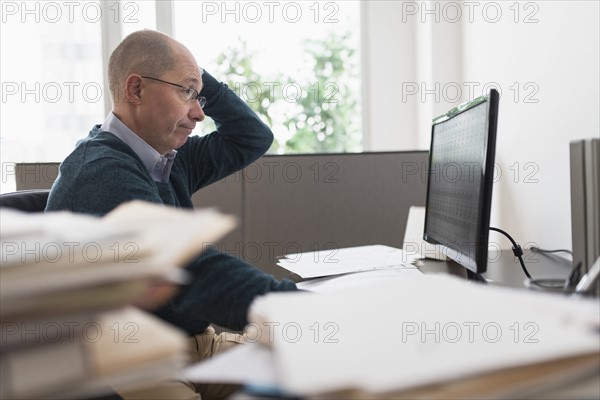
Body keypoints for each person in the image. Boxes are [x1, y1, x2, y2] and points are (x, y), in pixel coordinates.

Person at [45, 29, 298, 399]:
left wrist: (190, 75)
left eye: (199, 96)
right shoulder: (100, 169)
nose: (198, 112)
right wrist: (289, 306)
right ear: (135, 90)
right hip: (127, 358)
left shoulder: (168, 159)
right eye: (187, 94)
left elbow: (252, 137)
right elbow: (187, 270)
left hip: (194, 344)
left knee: (311, 372)